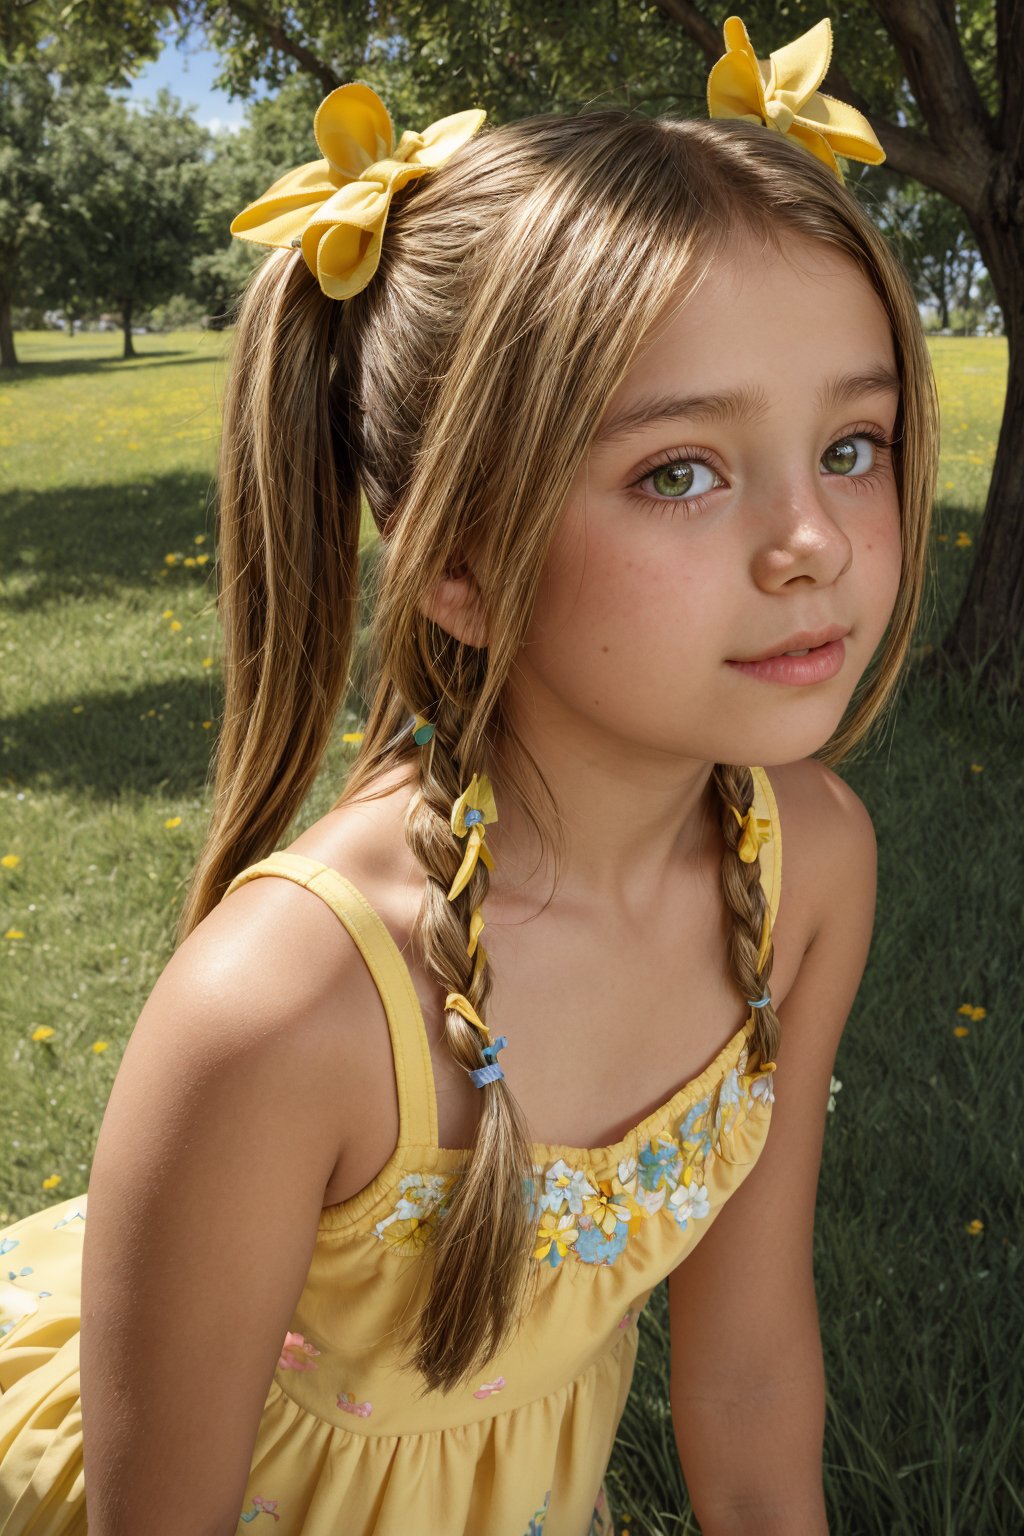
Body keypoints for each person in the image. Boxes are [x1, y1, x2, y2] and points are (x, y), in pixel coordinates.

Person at [0, 13, 938, 1535]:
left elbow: (751, 1375)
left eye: (854, 444)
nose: (812, 542)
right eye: (680, 472)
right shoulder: (284, 1011)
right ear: (460, 565)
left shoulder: (811, 865)